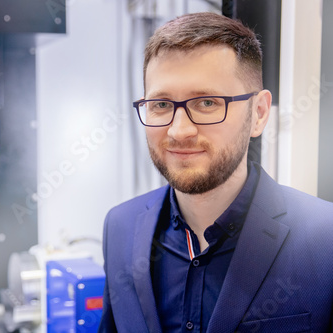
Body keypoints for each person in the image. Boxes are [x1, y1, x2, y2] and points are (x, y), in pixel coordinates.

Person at [98, 12, 333, 333]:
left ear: (259, 114)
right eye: (161, 105)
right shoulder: (120, 227)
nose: (179, 131)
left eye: (207, 102)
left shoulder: (324, 241)